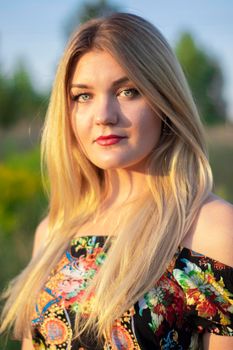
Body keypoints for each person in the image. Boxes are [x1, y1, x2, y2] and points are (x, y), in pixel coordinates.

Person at [1, 12, 233, 350]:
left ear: (164, 100)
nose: (104, 116)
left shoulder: (212, 229)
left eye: (128, 91)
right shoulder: (53, 231)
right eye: (83, 96)